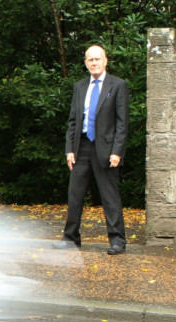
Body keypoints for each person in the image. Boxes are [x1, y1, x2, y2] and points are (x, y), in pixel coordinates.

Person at [52, 45, 129, 255]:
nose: (94, 63)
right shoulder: (80, 86)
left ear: (105, 61)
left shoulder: (118, 85)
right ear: (85, 63)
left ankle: (117, 241)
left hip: (106, 149)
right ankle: (71, 238)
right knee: (75, 194)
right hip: (82, 146)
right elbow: (73, 122)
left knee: (110, 196)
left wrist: (117, 151)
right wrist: (70, 150)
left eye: (97, 59)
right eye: (90, 60)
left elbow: (122, 123)